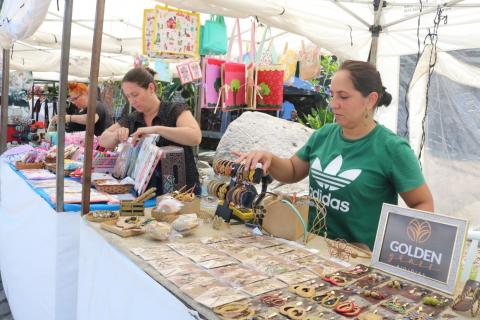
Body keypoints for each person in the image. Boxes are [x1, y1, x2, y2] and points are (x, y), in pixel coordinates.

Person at [235, 60, 434, 250]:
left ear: (370, 100)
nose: (333, 104)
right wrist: (268, 158)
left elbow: (423, 203)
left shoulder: (392, 148)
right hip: (315, 248)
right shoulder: (324, 135)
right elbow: (293, 171)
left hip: (361, 261)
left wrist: (394, 244)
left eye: (343, 97)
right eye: (332, 95)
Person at [99, 67, 201, 194]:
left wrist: (157, 129)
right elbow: (103, 140)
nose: (132, 101)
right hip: (146, 193)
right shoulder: (133, 118)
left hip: (182, 192)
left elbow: (195, 136)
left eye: (135, 95)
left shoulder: (174, 110)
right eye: (128, 97)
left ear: (151, 88)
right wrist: (116, 136)